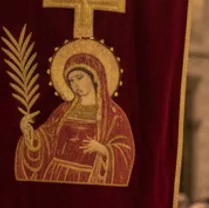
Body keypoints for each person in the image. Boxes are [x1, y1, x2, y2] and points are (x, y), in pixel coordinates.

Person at [15, 54, 134, 186]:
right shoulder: (64, 110)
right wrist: (29, 134)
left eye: (79, 78)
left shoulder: (113, 114)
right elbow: (46, 138)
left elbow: (125, 150)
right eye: (71, 81)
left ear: (94, 77)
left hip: (92, 178)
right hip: (57, 174)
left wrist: (103, 149)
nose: (75, 84)